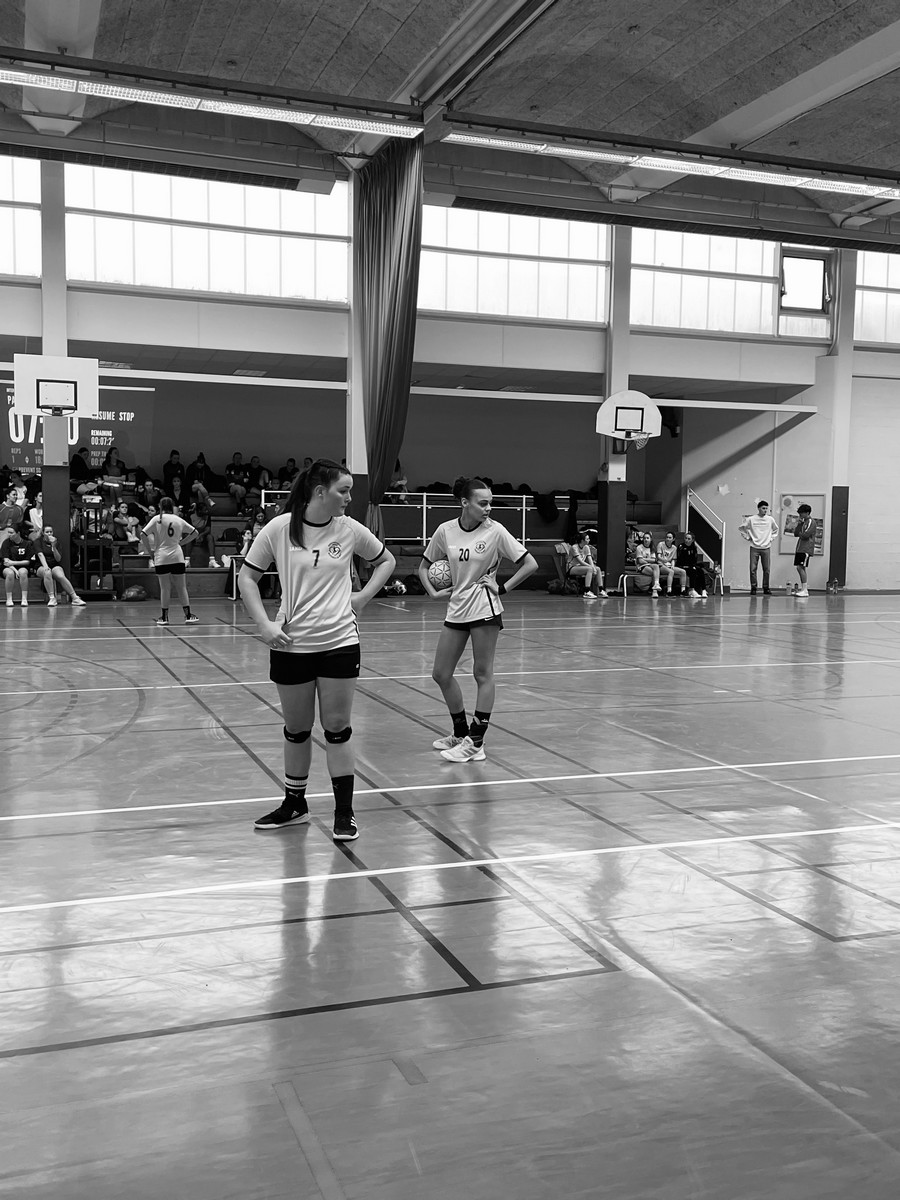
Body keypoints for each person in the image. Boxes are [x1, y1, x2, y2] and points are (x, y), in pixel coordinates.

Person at [238, 459, 396, 840]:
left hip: (339, 643)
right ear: (320, 492)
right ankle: (295, 805)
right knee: (296, 729)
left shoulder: (349, 529)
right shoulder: (280, 528)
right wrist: (265, 625)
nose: (349, 498)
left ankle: (344, 813)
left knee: (337, 728)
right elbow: (247, 577)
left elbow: (386, 561)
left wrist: (362, 597)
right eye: (344, 491)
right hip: (290, 644)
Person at [418, 475, 538, 764]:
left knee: (482, 674)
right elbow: (423, 566)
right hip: (456, 609)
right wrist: (433, 592)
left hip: (485, 608)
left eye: (490, 503)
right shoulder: (445, 531)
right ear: (465, 503)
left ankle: (476, 742)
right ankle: (460, 732)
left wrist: (502, 587)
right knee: (441, 674)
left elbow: (530, 563)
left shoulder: (495, 531)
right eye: (483, 503)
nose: (488, 508)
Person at [139, 496, 200, 626]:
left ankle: (164, 617)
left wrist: (150, 551)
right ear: (172, 506)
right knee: (181, 587)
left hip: (161, 557)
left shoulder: (157, 519)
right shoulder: (178, 519)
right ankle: (188, 615)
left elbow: (143, 534)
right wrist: (181, 543)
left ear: (160, 507)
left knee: (165, 588)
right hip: (177, 556)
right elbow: (195, 533)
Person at [33, 525, 86, 606]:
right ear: (43, 533)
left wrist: (53, 546)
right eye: (47, 532)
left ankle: (75, 598)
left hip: (54, 564)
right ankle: (52, 598)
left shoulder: (56, 542)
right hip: (41, 565)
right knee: (47, 573)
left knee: (60, 575)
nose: (49, 534)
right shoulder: (38, 542)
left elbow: (58, 559)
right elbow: (40, 555)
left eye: (51, 532)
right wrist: (46, 567)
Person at [740, 500, 779, 595]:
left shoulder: (770, 519)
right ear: (758, 508)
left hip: (766, 547)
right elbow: (742, 528)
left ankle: (766, 588)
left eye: (766, 508)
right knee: (753, 569)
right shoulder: (751, 519)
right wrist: (748, 538)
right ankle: (753, 587)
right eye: (763, 508)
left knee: (767, 569)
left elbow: (776, 530)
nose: (765, 510)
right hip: (754, 547)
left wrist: (771, 539)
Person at [565, 531, 607, 599]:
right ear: (582, 540)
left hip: (581, 567)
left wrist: (594, 567)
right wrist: (591, 567)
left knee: (598, 569)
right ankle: (587, 591)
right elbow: (581, 562)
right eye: (587, 539)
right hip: (572, 567)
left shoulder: (586, 547)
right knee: (589, 569)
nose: (589, 540)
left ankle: (601, 590)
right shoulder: (574, 547)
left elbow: (590, 559)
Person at [3, 526, 36, 606]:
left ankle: (24, 599)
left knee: (23, 572)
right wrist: (15, 570)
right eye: (8, 533)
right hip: (9, 567)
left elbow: (27, 562)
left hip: (21, 565)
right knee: (10, 573)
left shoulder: (27, 544)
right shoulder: (6, 543)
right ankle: (9, 599)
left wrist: (13, 563)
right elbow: (6, 561)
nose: (9, 535)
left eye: (11, 533)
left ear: (18, 533)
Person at [792, 504, 816, 597]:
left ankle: (805, 590)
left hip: (806, 548)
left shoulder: (811, 521)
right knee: (800, 567)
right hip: (800, 548)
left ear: (807, 513)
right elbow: (795, 533)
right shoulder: (803, 522)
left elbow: (806, 535)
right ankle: (803, 589)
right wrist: (799, 524)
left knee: (800, 567)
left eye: (801, 513)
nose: (800, 515)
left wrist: (800, 534)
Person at [675, 532, 708, 597]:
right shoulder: (681, 547)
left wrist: (693, 565)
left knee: (700, 571)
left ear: (692, 540)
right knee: (693, 571)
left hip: (691, 566)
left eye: (689, 539)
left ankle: (703, 590)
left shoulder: (694, 548)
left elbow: (694, 559)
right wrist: (690, 566)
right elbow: (680, 559)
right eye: (686, 538)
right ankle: (691, 590)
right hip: (682, 566)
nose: (686, 540)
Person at [656, 531, 688, 597]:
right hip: (661, 565)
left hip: (669, 565)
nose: (668, 539)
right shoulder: (660, 544)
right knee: (671, 572)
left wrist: (673, 565)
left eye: (670, 537)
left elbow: (673, 559)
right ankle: (669, 591)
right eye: (667, 537)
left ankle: (683, 591)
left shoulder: (674, 548)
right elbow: (658, 557)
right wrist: (664, 560)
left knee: (683, 571)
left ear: (673, 539)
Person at [189, 499, 219, 567]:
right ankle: (187, 560)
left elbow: (208, 529)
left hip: (203, 534)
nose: (207, 511)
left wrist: (201, 535)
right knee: (187, 537)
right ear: (199, 511)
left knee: (210, 537)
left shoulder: (207, 516)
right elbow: (188, 529)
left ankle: (212, 560)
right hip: (192, 534)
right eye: (205, 510)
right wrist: (195, 535)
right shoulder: (191, 515)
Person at [634, 532, 661, 596]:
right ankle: (655, 591)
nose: (646, 540)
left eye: (647, 538)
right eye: (644, 538)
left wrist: (644, 559)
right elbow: (640, 561)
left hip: (649, 565)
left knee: (656, 566)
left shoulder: (652, 548)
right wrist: (648, 561)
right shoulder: (639, 547)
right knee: (655, 573)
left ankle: (656, 584)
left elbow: (654, 560)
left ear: (650, 539)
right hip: (641, 566)